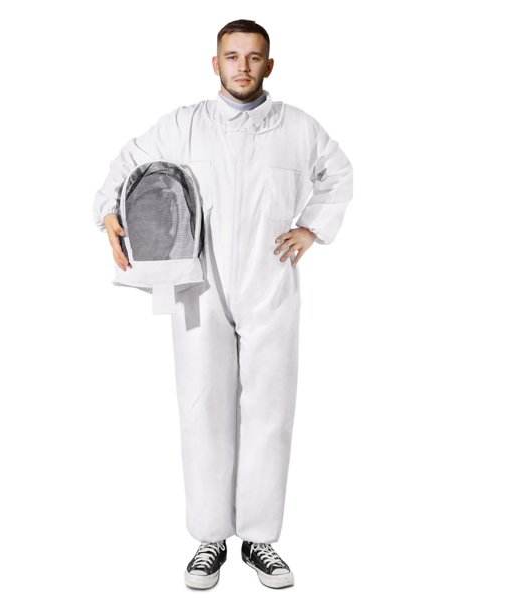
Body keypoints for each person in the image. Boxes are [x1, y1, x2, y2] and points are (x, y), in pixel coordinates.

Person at [93, 19, 353, 590]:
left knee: (270, 408)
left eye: (253, 57)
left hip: (270, 279)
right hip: (198, 281)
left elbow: (338, 173)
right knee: (202, 405)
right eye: (232, 56)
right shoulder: (185, 125)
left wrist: (311, 227)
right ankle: (210, 537)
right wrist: (108, 212)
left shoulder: (297, 128)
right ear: (215, 63)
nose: (242, 66)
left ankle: (260, 539)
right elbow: (125, 163)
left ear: (269, 65)